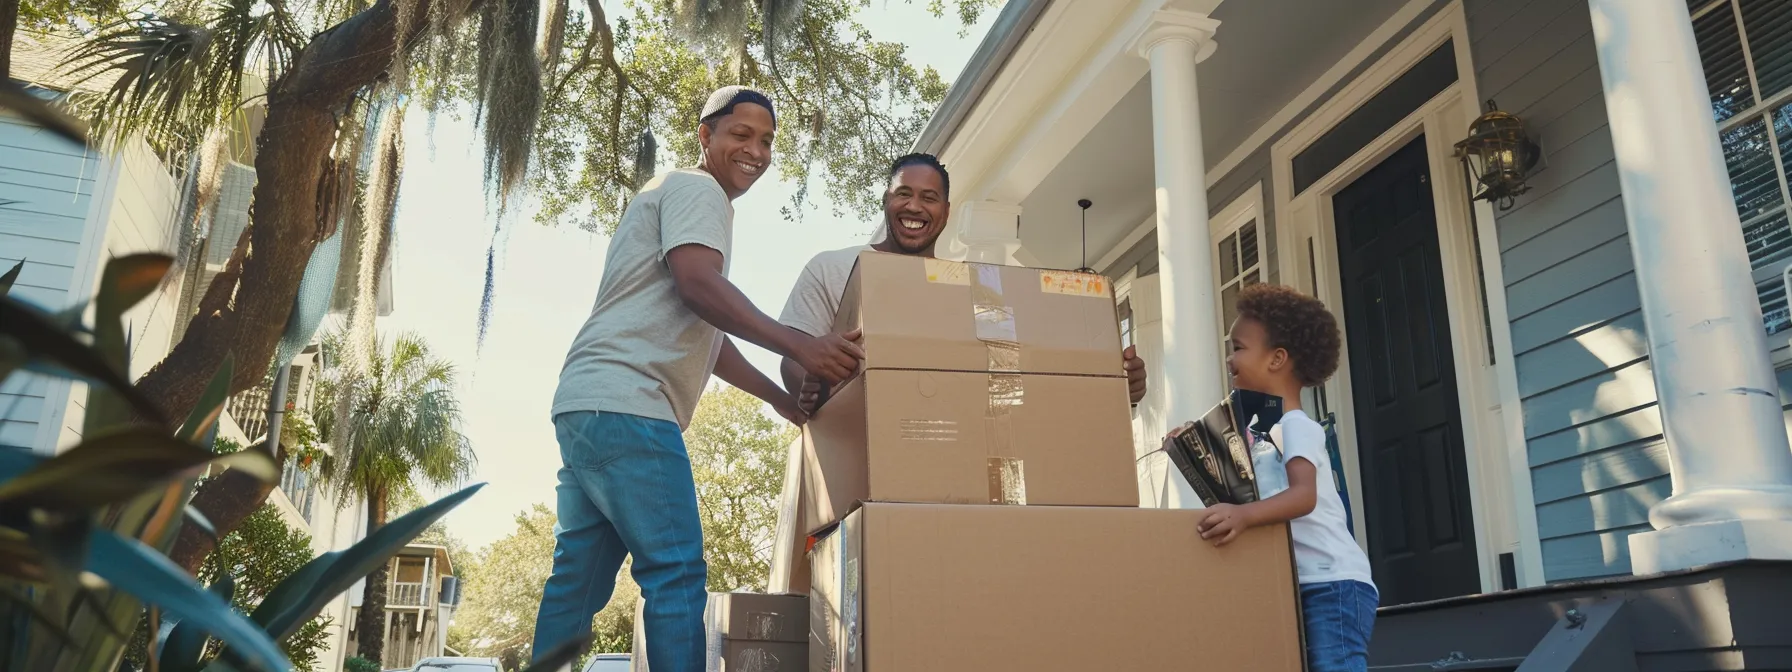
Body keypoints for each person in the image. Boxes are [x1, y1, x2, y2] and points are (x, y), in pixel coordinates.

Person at [533, 86, 864, 668]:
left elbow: (705, 330)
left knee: (577, 583)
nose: (756, 150)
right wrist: (802, 345)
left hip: (587, 404)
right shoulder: (697, 189)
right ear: (705, 135)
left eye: (766, 140)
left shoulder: (676, 195)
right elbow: (699, 287)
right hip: (633, 404)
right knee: (677, 571)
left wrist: (779, 399)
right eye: (741, 134)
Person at [776, 153, 1149, 407]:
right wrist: (811, 385)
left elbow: (1015, 375)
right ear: (886, 201)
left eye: (929, 198)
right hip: (855, 459)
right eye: (903, 194)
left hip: (953, 460)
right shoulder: (833, 268)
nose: (915, 207)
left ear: (946, 211)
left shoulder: (978, 288)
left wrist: (1116, 389)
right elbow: (792, 363)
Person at [1194, 283, 1376, 672]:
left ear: (1277, 359)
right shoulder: (1263, 433)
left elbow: (1302, 496)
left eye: (1238, 347)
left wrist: (1243, 517)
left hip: (1333, 583)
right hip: (1300, 582)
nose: (1230, 359)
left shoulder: (1297, 426)